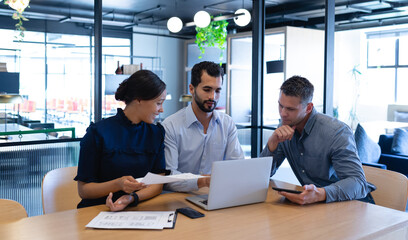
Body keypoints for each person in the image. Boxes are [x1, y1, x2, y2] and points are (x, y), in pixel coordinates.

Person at [261, 75, 373, 205]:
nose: (283, 113)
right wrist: (271, 146)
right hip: (316, 206)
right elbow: (260, 176)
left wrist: (320, 194)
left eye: (291, 109)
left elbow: (358, 183)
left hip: (350, 204)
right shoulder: (284, 127)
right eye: (280, 106)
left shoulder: (336, 132)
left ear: (308, 108)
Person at [74, 70, 168, 211]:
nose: (161, 110)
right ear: (139, 99)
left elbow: (157, 183)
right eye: (159, 103)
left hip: (137, 209)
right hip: (97, 211)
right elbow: (84, 190)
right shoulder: (98, 133)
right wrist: (118, 184)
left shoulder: (156, 134)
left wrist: (131, 198)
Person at [162, 61, 244, 192]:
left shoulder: (227, 124)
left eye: (217, 91)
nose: (213, 97)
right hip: (180, 198)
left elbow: (237, 166)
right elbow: (168, 177)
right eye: (207, 90)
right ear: (192, 89)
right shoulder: (170, 126)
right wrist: (202, 181)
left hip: (217, 195)